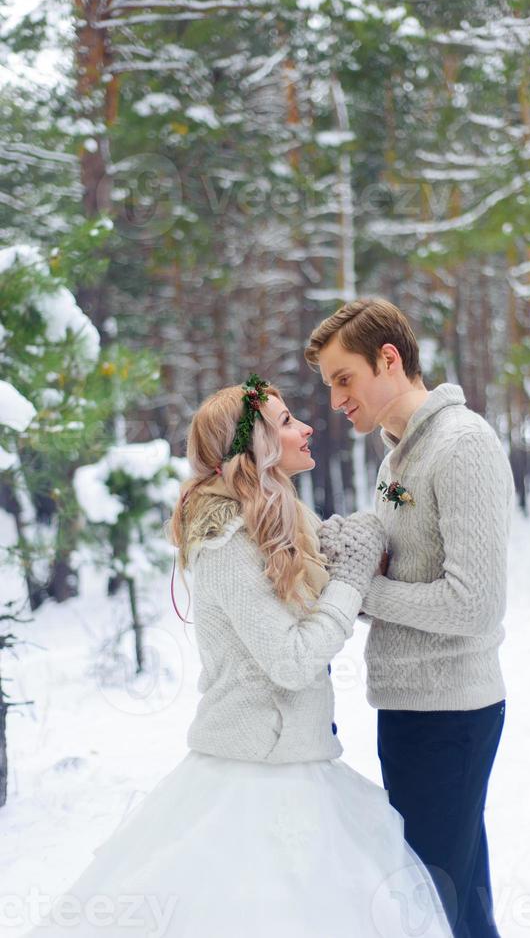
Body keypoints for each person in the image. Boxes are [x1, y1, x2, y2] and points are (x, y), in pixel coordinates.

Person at [23, 373, 452, 938]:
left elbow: (321, 591)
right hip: (256, 778)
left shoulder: (278, 523)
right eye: (286, 424)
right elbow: (293, 660)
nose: (305, 429)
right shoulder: (227, 545)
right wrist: (347, 580)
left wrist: (352, 543)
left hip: (299, 761)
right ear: (257, 450)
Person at [306, 299, 515, 938]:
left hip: (450, 713)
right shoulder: (396, 459)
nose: (338, 398)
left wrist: (360, 592)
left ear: (389, 359)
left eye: (345, 378)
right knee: (451, 894)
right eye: (330, 385)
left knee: (436, 896)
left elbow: (475, 604)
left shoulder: (462, 445)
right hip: (411, 708)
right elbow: (399, 556)